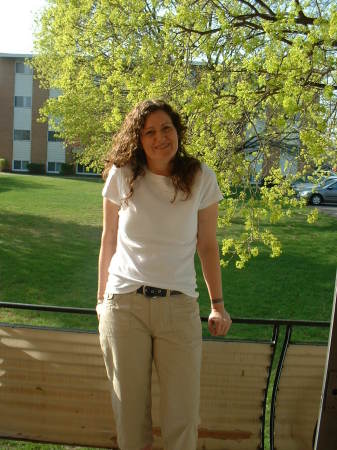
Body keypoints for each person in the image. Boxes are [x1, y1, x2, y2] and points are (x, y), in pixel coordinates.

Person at [97, 99, 232, 450]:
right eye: (150, 131)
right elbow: (108, 239)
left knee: (182, 417)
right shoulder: (122, 175)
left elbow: (208, 245)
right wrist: (101, 303)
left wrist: (217, 304)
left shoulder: (202, 177)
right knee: (129, 417)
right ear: (138, 139)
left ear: (178, 131)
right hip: (124, 306)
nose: (160, 138)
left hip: (179, 307)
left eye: (166, 128)